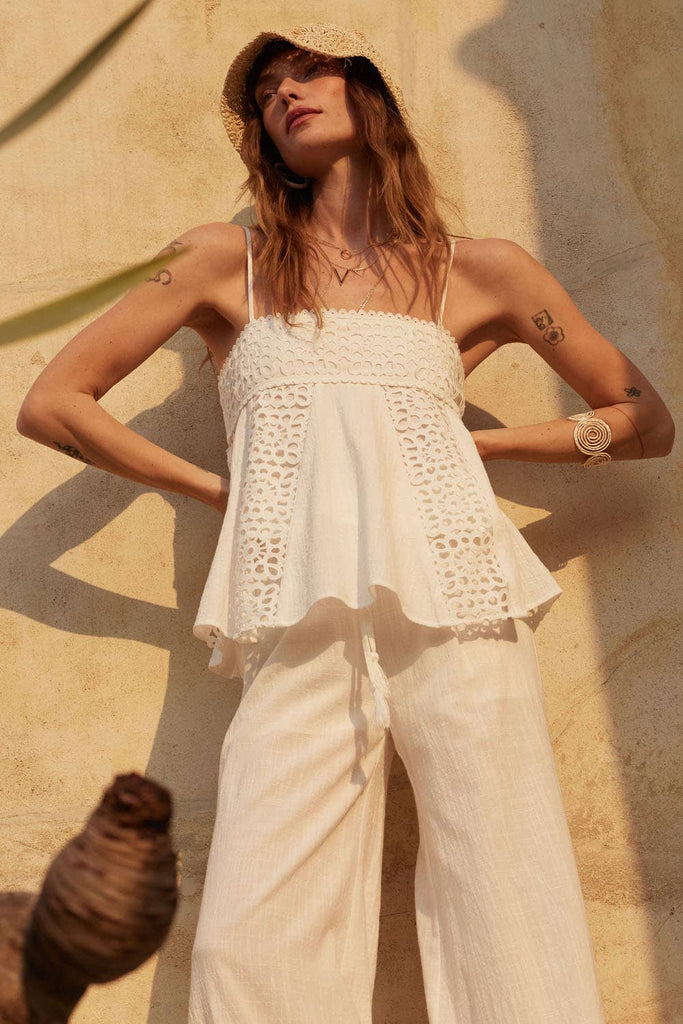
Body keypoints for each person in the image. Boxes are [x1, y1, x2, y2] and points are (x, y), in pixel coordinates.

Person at [17, 22, 674, 1024]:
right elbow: (55, 402)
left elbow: (642, 420)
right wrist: (219, 493)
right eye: (267, 89)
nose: (286, 92)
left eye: (310, 68)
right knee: (251, 914)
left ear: (370, 93)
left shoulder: (481, 270)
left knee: (502, 880)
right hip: (292, 603)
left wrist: (483, 447)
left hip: (455, 592)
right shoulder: (219, 261)